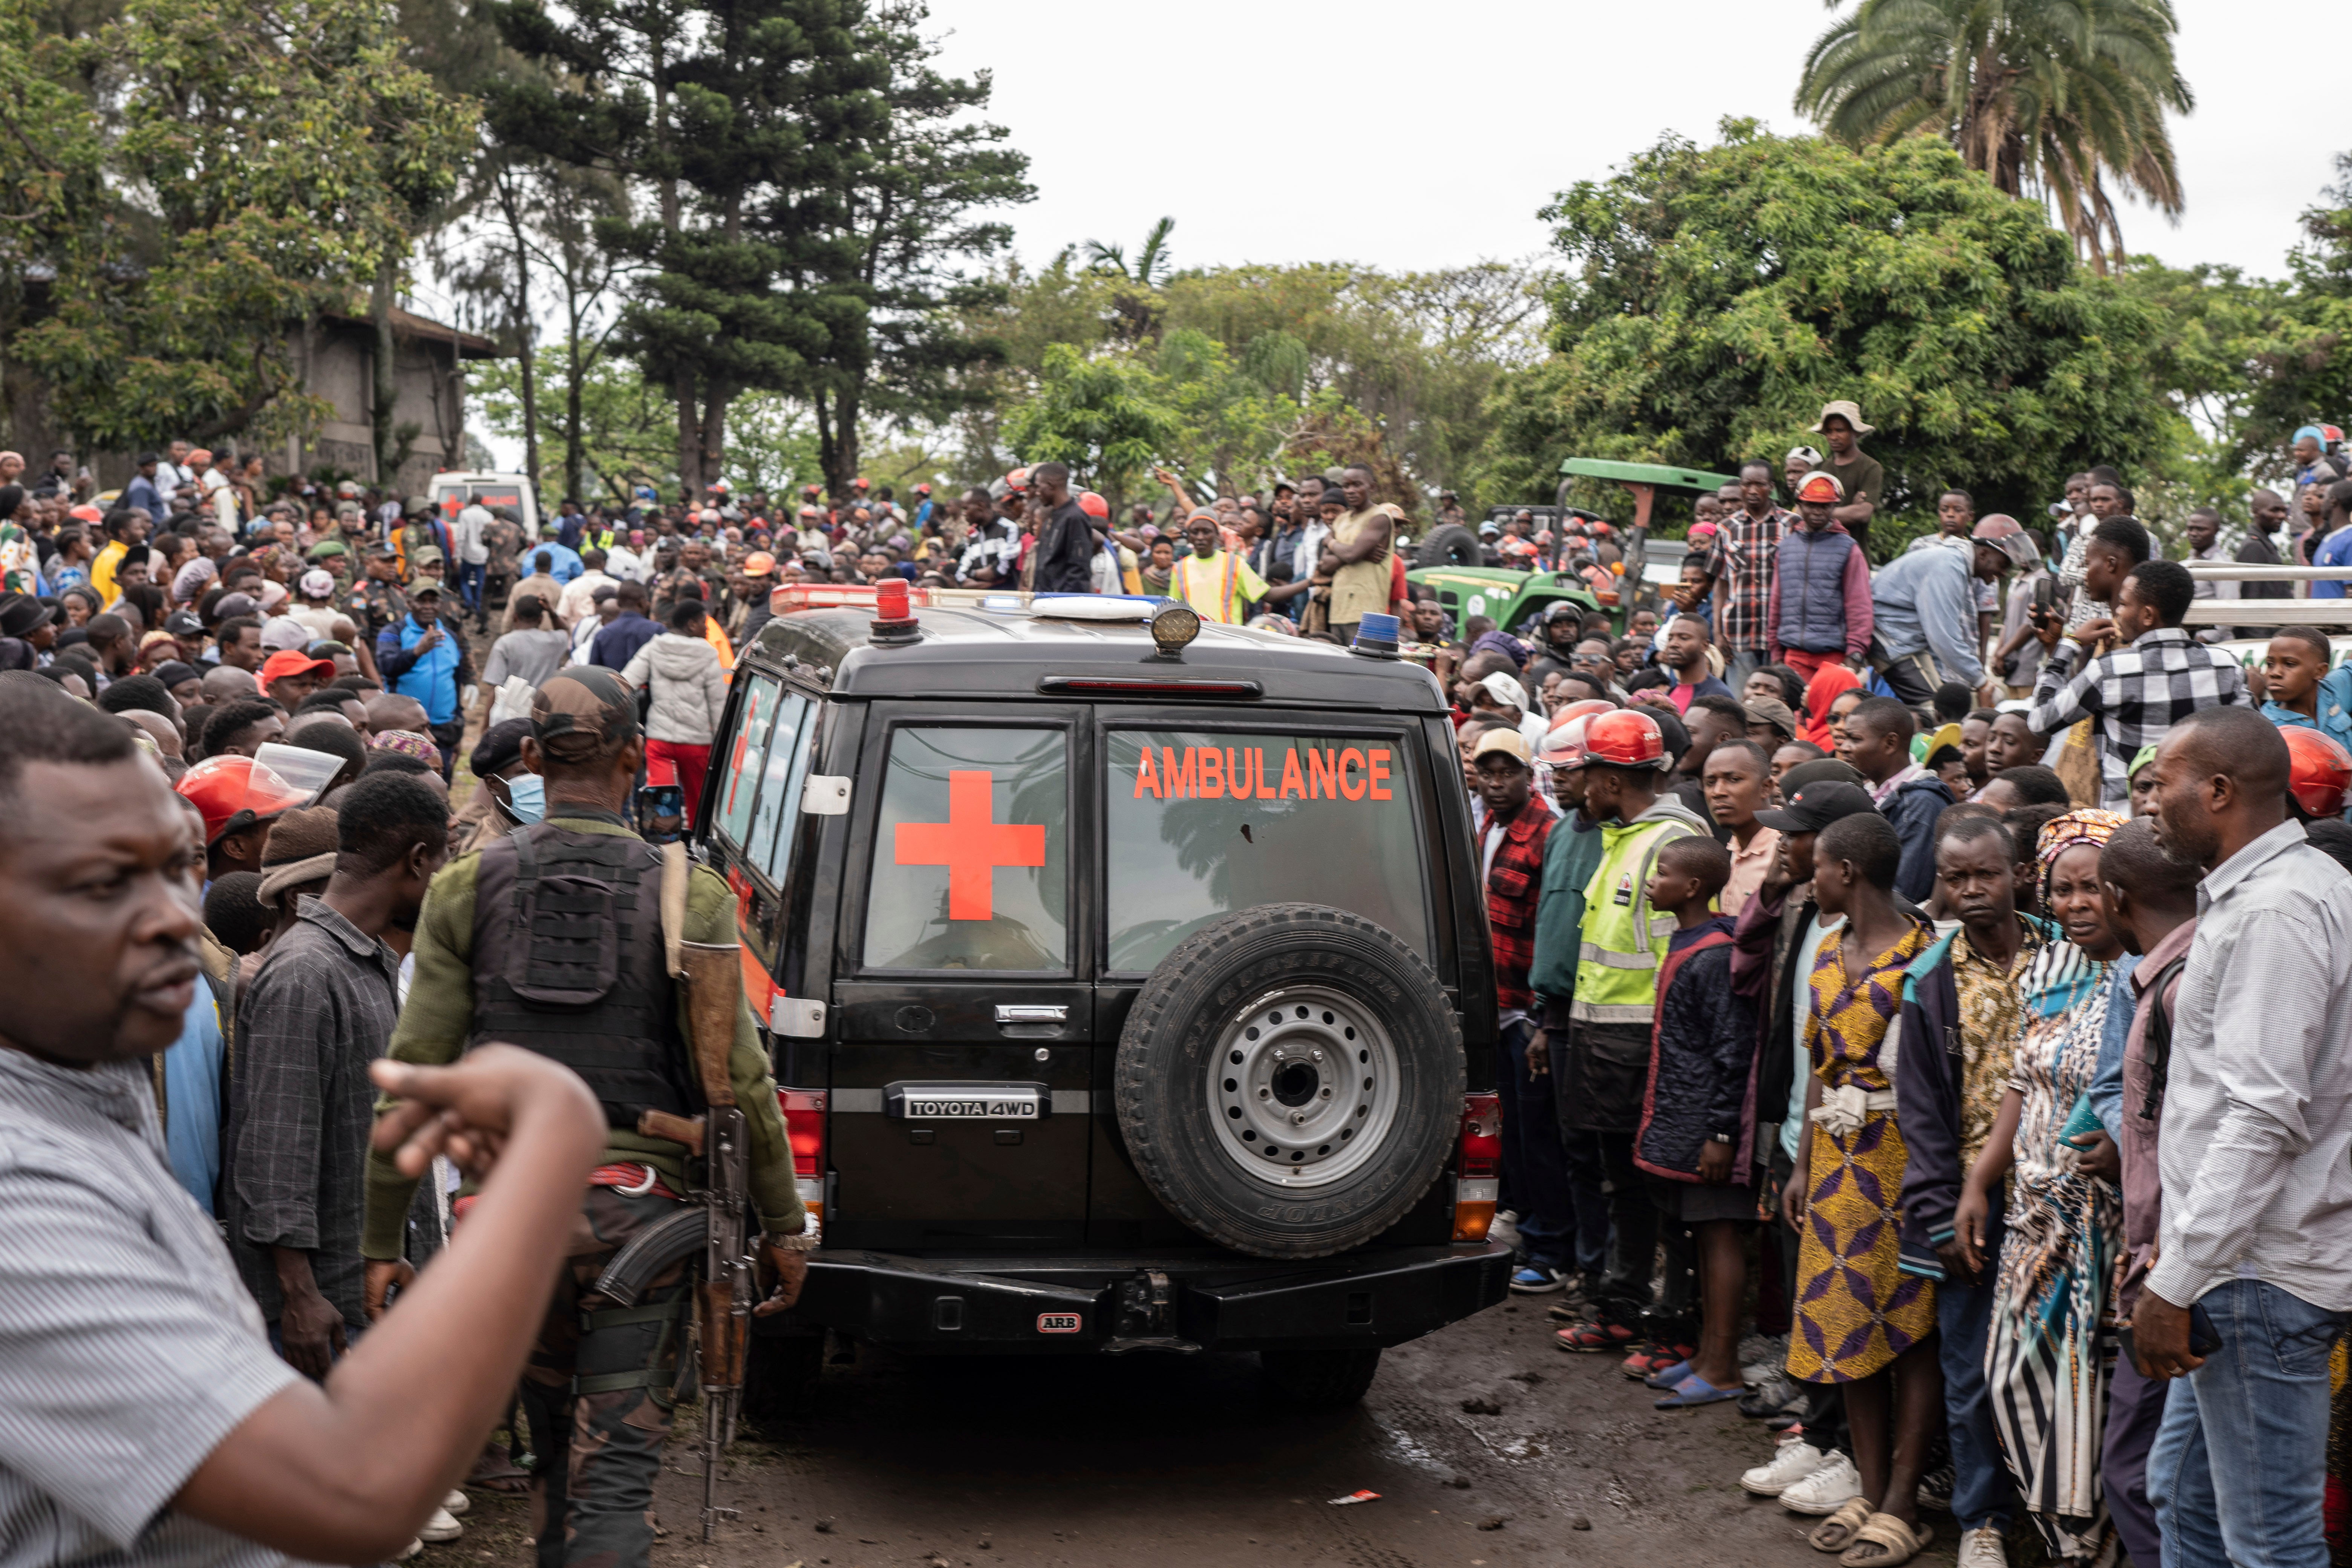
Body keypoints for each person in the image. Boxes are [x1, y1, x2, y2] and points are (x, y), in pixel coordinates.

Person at [0, 675, 617, 1568]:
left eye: (178, 864)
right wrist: (552, 1141)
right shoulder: (20, 1192)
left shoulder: (92, 1077)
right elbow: (353, 1484)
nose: (174, 917)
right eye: (101, 882)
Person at [360, 668, 808, 1568]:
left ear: (529, 756)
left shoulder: (462, 888)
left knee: (554, 1455)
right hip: (641, 1216)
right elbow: (745, 1089)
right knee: (617, 1474)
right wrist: (783, 1224)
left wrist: (379, 1243)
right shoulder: (694, 896)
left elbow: (410, 1082)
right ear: (637, 759)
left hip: (507, 1225)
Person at [2137, 706, 2352, 1568]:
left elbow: (2261, 1116)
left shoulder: (2278, 911)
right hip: (2233, 1266)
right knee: (2183, 1501)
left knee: (2270, 1542)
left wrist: (2175, 1281)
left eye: (2160, 785)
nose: (2147, 803)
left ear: (2218, 791)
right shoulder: (2272, 893)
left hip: (2256, 1274)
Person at [226, 775, 448, 1383]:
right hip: (327, 1313)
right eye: (442, 867)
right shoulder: (305, 974)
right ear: (418, 860)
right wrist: (300, 1296)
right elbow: (275, 1157)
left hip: (370, 1299)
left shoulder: (368, 963)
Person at [1951, 811, 2127, 1561]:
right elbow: (2021, 1084)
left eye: (2092, 887)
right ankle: (2065, 1536)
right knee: (2011, 1381)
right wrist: (1978, 1184)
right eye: (2062, 888)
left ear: (2123, 891)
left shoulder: (2142, 973)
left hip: (2101, 1225)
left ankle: (2092, 1548)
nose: (2077, 902)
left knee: (2089, 1398)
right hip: (2030, 1217)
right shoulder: (2051, 968)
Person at [1886, 812, 2044, 1568]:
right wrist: (1940, 1211)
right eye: (1955, 877)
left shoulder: (2069, 953)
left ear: (2018, 873)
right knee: (1971, 1365)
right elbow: (1920, 1110)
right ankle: (1981, 1516)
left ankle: (2059, 1511)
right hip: (1968, 1200)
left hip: (2060, 1197)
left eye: (1986, 873)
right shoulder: (1931, 978)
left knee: (2053, 1361)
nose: (1972, 890)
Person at [1783, 811, 1940, 1565]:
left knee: (1909, 1327)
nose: (1809, 877)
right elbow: (1819, 1065)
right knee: (1845, 1319)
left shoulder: (1923, 954)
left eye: (1817, 865)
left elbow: (1936, 1078)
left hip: (1900, 1159)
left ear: (1847, 872)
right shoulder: (1826, 949)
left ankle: (1905, 1500)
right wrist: (1800, 1161)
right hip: (1837, 1163)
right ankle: (1871, 1490)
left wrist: (1933, 1176)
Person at [1552, 710, 1710, 1352]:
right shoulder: (1624, 838)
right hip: (1605, 1041)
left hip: (1642, 1045)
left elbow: (1685, 963)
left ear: (1612, 780)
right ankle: (1622, 1306)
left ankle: (1665, 1320)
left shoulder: (1668, 845)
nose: (1578, 787)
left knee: (1653, 1190)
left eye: (1584, 774)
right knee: (1623, 1185)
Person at [2087, 818, 2203, 1568]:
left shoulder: (2187, 980)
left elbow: (2220, 1138)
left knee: (2150, 1472)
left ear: (2116, 897)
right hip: (2172, 1257)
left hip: (2185, 1264)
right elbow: (2116, 1093)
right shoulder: (2155, 975)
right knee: (2160, 1474)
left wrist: (2171, 1270)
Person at [1628, 836, 1758, 1408]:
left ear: (1694, 887)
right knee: (1702, 1239)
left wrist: (1721, 1134)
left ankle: (1724, 1365)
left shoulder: (1711, 954)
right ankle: (1706, 1355)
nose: (1652, 881)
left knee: (1720, 1234)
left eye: (1662, 872)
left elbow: (1732, 1050)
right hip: (1686, 1122)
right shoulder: (1688, 942)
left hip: (1710, 1130)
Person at [1468, 728, 1568, 1295]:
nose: (1498, 782)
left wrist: (1544, 1016)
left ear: (1530, 778)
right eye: (1489, 772)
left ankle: (1550, 1247)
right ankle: (1519, 1218)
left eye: (1509, 772)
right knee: (1506, 1127)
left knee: (1538, 1134)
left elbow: (1549, 928)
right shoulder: (1486, 825)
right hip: (1496, 1002)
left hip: (1528, 1009)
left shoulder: (1546, 834)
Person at [2027, 556, 2247, 810]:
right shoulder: (2227, 666)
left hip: (2129, 825)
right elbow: (2247, 743)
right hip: (2200, 818)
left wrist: (2068, 645)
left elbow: (2040, 722)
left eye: (2123, 604)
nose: (2117, 613)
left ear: (2147, 615)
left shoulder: (2110, 670)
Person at [1868, 521, 2019, 706]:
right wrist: (1982, 682)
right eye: (2003, 564)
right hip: (1891, 639)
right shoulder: (1949, 567)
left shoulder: (1954, 562)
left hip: (1904, 641)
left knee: (1942, 709)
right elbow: (1943, 636)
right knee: (1934, 714)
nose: (2004, 573)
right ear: (1984, 553)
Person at [1674, 459, 1792, 685]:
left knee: (1777, 698)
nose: (1753, 491)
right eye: (1748, 485)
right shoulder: (1727, 528)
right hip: (1738, 631)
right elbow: (1721, 584)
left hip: (1780, 632)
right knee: (1742, 702)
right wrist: (1718, 633)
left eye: (1760, 484)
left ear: (1772, 487)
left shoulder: (1791, 524)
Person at [620, 599, 729, 829]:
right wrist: (721, 744)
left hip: (660, 740)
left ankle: (662, 851)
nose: (708, 628)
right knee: (698, 802)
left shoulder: (655, 647)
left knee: (661, 800)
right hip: (697, 743)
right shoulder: (709, 654)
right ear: (691, 625)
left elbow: (626, 682)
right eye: (704, 623)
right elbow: (717, 703)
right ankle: (696, 848)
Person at [1839, 697, 1955, 903]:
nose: (1845, 748)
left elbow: (1905, 891)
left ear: (1890, 743)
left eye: (1855, 739)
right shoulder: (1870, 790)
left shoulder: (1921, 803)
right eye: (1845, 739)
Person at [1766, 471, 1873, 683]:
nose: (1817, 511)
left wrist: (1855, 654)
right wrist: (1776, 652)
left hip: (1835, 656)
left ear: (1834, 508)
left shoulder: (1849, 549)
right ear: (1799, 505)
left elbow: (1859, 606)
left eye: (1824, 506)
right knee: (1795, 717)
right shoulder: (1786, 548)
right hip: (1793, 656)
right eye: (1811, 505)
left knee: (1830, 715)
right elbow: (1777, 602)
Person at [374, 581, 473, 782]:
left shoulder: (451, 637)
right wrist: (417, 652)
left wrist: (458, 728)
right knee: (403, 784)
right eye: (422, 601)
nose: (428, 606)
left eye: (433, 601)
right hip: (406, 732)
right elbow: (386, 666)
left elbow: (455, 684)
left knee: (439, 786)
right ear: (409, 603)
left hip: (444, 730)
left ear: (440, 604)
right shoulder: (393, 632)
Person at [1703, 739, 1778, 916]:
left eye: (1734, 780)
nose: (1718, 792)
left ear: (1766, 788)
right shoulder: (1735, 843)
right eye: (1710, 783)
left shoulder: (1784, 850)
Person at [2261, 622, 2352, 755]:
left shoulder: (2333, 692)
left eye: (2289, 664)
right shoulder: (2268, 730)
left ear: (2320, 671)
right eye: (2270, 664)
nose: (2275, 673)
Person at [1167, 508, 1268, 625]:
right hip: (1194, 640)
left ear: (1217, 534)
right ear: (1189, 536)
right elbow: (1174, 610)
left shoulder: (1234, 563)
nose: (1200, 537)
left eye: (1206, 532)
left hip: (1229, 639)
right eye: (1195, 532)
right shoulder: (1180, 568)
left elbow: (1266, 594)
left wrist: (1295, 586)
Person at [1806, 401, 1883, 553]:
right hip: (1819, 553)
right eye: (1829, 431)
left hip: (1854, 555)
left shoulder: (1870, 468)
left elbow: (1863, 514)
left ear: (1854, 432)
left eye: (1840, 430)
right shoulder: (1818, 470)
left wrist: (1819, 513)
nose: (1834, 437)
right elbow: (1803, 512)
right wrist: (1849, 510)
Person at [1027, 462, 1095, 594]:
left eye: (1038, 487)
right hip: (1045, 599)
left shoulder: (1075, 518)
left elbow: (1079, 569)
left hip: (1061, 604)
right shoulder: (1052, 516)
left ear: (1051, 486)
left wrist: (1066, 605)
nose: (1036, 492)